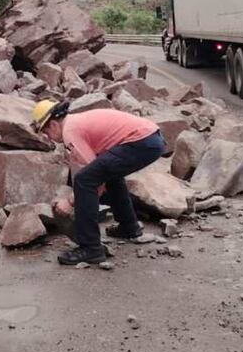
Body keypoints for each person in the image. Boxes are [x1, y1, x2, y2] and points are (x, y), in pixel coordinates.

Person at [31, 101, 165, 266]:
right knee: (109, 176)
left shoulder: (70, 130)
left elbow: (89, 177)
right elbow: (97, 171)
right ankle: (129, 228)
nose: (48, 137)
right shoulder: (76, 122)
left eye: (46, 132)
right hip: (150, 139)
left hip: (140, 141)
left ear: (52, 124)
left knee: (84, 180)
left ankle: (90, 248)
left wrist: (70, 201)